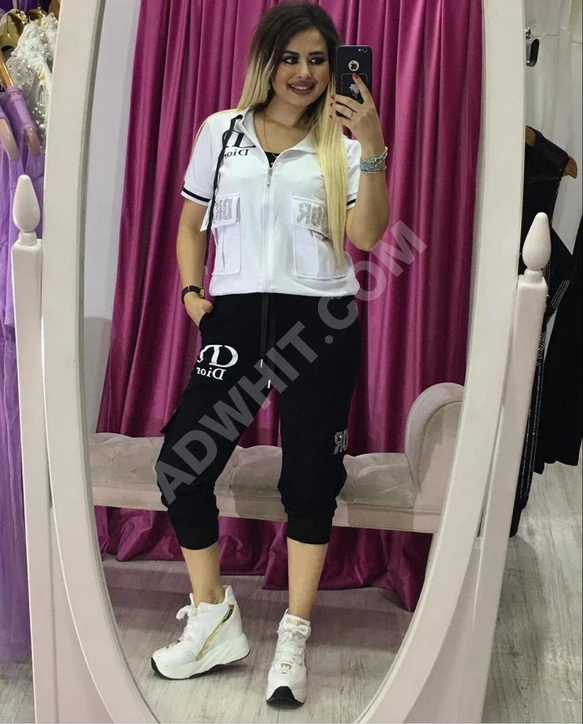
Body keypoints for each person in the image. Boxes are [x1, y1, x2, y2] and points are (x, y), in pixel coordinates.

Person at [152, 0, 390, 707]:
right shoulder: (220, 132)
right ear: (266, 60)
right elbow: (190, 224)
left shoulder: (341, 145)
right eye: (290, 57)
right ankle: (213, 615)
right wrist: (193, 292)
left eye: (317, 59)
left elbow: (368, 238)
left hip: (318, 321)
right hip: (234, 320)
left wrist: (373, 145)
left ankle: (294, 632)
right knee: (182, 463)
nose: (304, 72)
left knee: (309, 479)